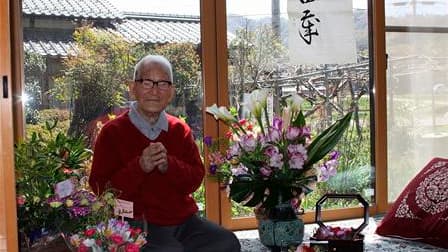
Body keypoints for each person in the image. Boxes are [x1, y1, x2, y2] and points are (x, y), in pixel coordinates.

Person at [89, 54, 241, 252]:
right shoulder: (113, 132)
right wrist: (139, 167)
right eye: (147, 82)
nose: (154, 91)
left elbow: (195, 179)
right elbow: (100, 188)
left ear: (171, 92)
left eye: (162, 84)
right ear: (133, 88)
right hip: (137, 224)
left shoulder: (179, 129)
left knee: (227, 242)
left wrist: (169, 165)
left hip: (183, 221)